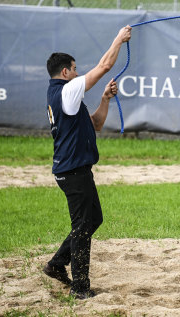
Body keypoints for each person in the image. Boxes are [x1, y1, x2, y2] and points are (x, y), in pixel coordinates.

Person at [43, 25, 132, 300]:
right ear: (66, 72)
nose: (79, 73)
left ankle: (57, 264)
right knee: (83, 226)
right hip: (73, 172)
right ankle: (81, 288)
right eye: (75, 68)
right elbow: (104, 65)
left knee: (93, 219)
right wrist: (119, 39)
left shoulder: (65, 96)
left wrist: (105, 98)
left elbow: (95, 124)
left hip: (76, 170)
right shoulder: (66, 91)